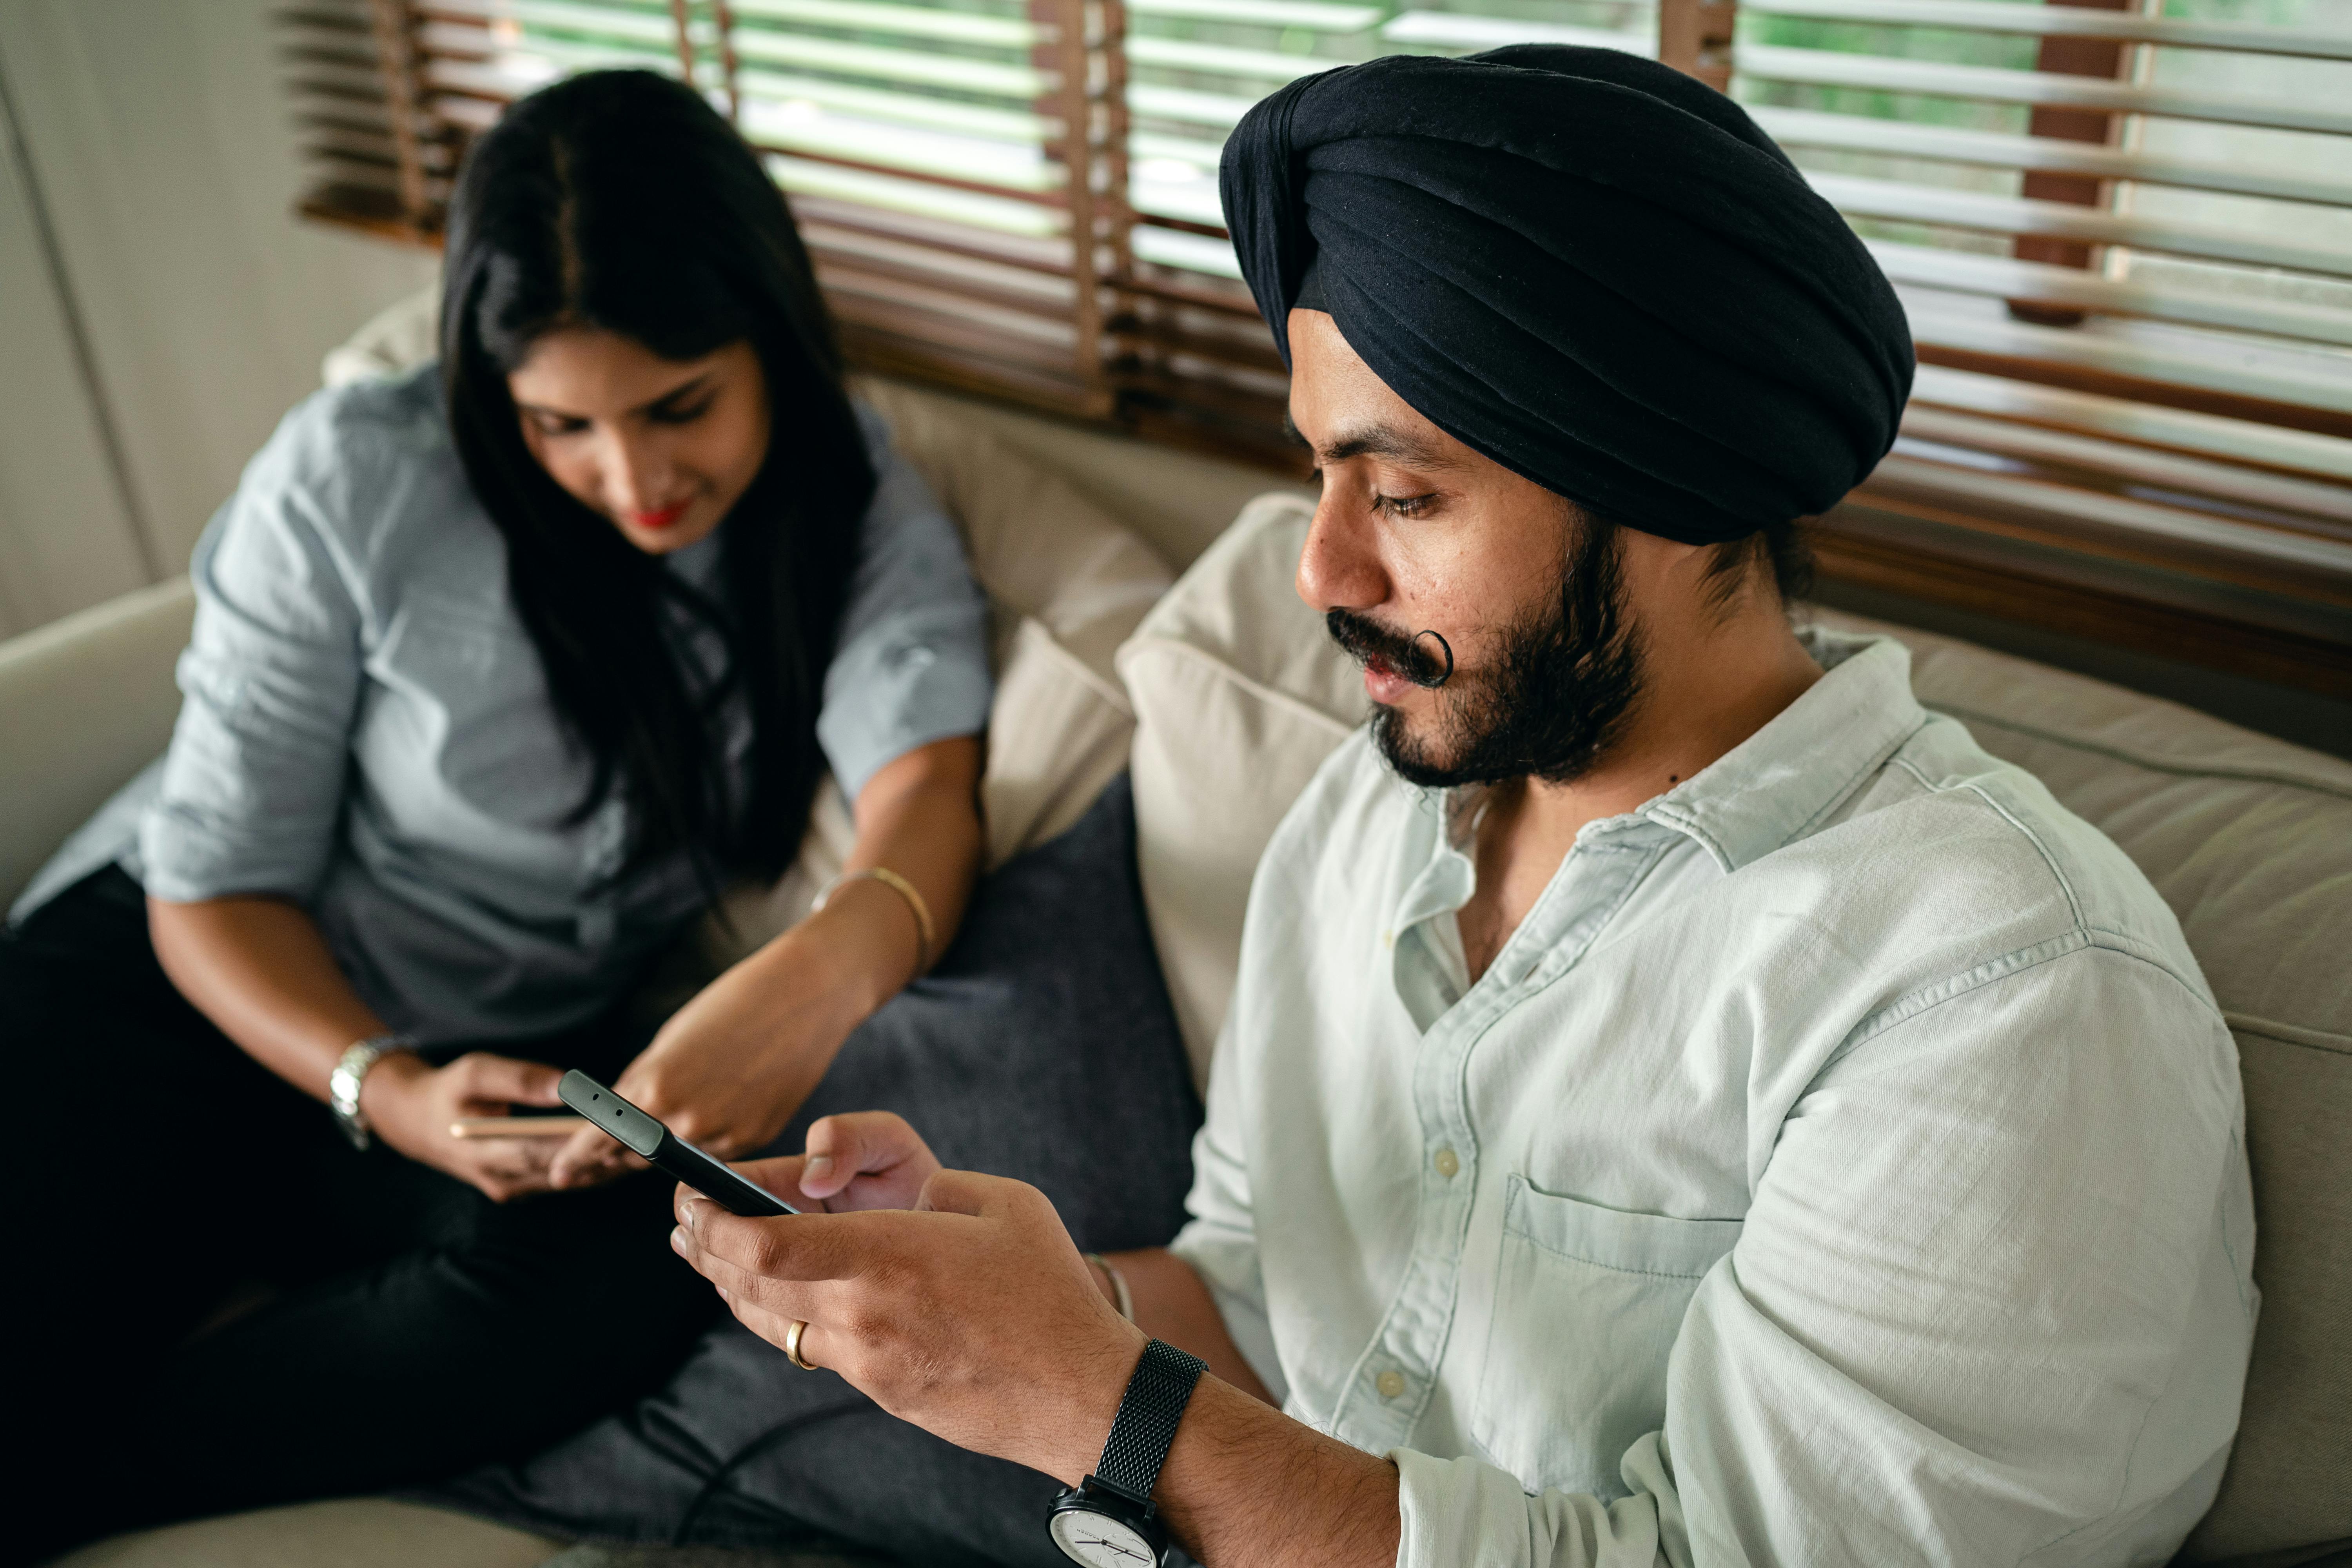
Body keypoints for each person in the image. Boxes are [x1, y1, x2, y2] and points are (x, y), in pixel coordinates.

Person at [651, 48, 2255, 1568]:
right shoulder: (1367, 824)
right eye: (1322, 477)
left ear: (1672, 488)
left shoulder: (1999, 993)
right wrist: (1000, 1304)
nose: (1321, 571)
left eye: (1405, 493)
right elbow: (1263, 1308)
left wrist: (1100, 1404)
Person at [2, 68, 997, 1557]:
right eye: (560, 427)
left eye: (680, 408)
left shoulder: (850, 499)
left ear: (769, 338)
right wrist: (384, 1091)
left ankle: (84, 1483)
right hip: (189, 997)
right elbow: (209, 889)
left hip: (503, 1078)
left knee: (626, 1278)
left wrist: (822, 971)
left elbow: (926, 788)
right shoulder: (358, 478)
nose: (634, 479)